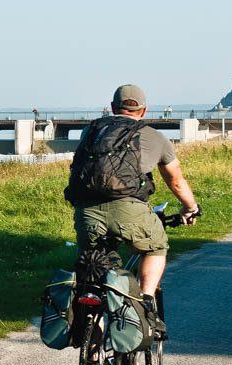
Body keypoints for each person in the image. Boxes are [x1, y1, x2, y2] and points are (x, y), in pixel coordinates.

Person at [67, 84, 199, 327]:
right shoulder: (154, 136)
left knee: (95, 272)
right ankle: (146, 304)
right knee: (155, 248)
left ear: (112, 107)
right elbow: (176, 181)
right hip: (128, 210)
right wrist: (190, 208)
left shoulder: (91, 131)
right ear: (144, 110)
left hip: (87, 211)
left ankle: (92, 343)